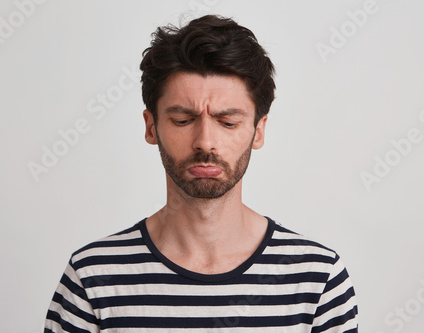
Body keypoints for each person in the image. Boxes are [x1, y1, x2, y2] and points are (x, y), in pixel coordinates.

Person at [44, 14, 358, 332]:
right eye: (183, 119)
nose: (205, 142)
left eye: (228, 122)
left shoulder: (318, 278)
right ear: (151, 126)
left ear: (258, 131)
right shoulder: (92, 278)